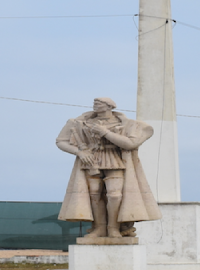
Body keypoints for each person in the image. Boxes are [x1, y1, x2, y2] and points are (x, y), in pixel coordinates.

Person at [56, 97, 161, 238]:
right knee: (94, 193)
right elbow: (61, 141)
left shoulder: (127, 124)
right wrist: (80, 152)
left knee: (115, 195)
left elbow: (130, 144)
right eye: (94, 103)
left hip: (114, 159)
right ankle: (99, 228)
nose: (95, 105)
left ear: (110, 106)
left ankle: (113, 228)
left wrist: (105, 132)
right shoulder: (79, 122)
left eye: (99, 104)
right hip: (90, 160)